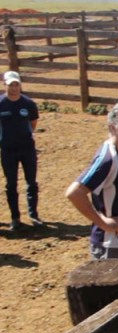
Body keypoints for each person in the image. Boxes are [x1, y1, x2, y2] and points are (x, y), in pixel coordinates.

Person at [66, 102, 118, 261]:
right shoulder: (108, 159)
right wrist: (103, 222)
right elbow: (74, 193)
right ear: (112, 127)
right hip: (111, 245)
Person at [1, 71, 42, 231]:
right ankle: (15, 217)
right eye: (11, 84)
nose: (14, 87)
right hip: (7, 150)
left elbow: (33, 123)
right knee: (11, 184)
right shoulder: (1, 104)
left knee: (31, 182)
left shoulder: (28, 103)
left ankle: (34, 214)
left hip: (27, 149)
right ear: (5, 85)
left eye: (17, 84)